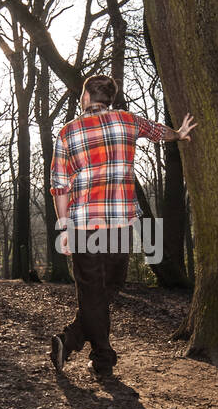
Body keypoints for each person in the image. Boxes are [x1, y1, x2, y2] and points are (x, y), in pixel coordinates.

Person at [49, 74, 197, 380]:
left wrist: (63, 227)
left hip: (82, 226)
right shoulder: (128, 122)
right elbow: (158, 131)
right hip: (118, 225)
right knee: (109, 288)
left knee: (96, 293)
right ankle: (102, 359)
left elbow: (59, 187)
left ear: (87, 98)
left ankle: (71, 340)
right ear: (111, 100)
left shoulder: (68, 132)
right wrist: (179, 134)